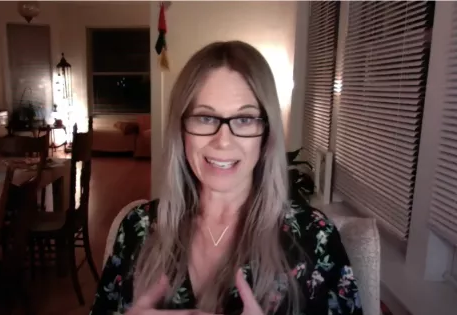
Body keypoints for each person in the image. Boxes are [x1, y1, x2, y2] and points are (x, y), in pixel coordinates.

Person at [90, 41, 362, 315]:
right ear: (181, 130)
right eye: (206, 118)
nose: (223, 141)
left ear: (266, 134)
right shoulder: (137, 228)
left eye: (244, 120)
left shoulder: (316, 237)